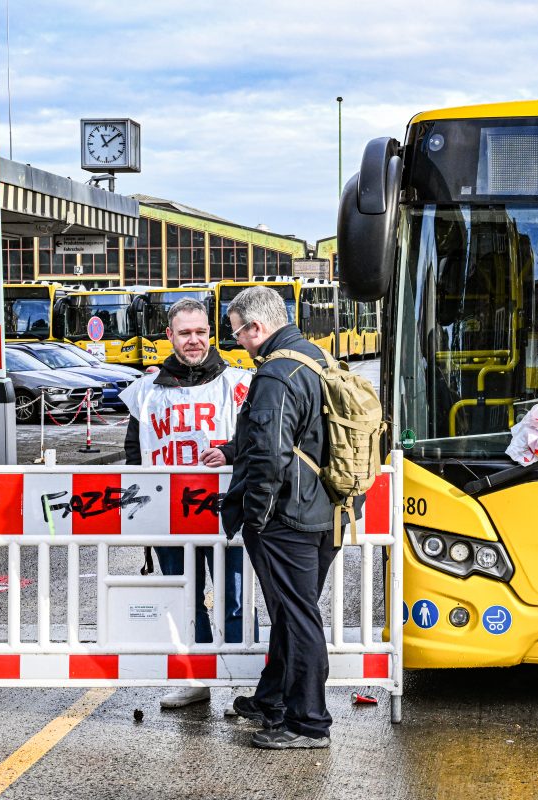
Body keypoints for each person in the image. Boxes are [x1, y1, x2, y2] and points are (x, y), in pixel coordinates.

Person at [119, 297, 252, 709]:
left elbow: (255, 438)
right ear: (170, 336)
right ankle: (194, 677)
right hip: (169, 514)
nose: (193, 341)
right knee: (182, 597)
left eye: (200, 332)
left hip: (225, 511)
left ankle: (240, 677)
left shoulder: (238, 383)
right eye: (185, 333)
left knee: (233, 597)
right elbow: (133, 453)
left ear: (210, 334)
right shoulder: (146, 390)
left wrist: (229, 452)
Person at [221, 286, 336, 750]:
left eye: (238, 335)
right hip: (326, 510)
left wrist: (257, 515)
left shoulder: (276, 373)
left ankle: (308, 722)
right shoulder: (317, 359)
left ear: (257, 327)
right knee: (291, 613)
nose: (239, 344)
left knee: (296, 616)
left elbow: (268, 456)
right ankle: (273, 700)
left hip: (288, 518)